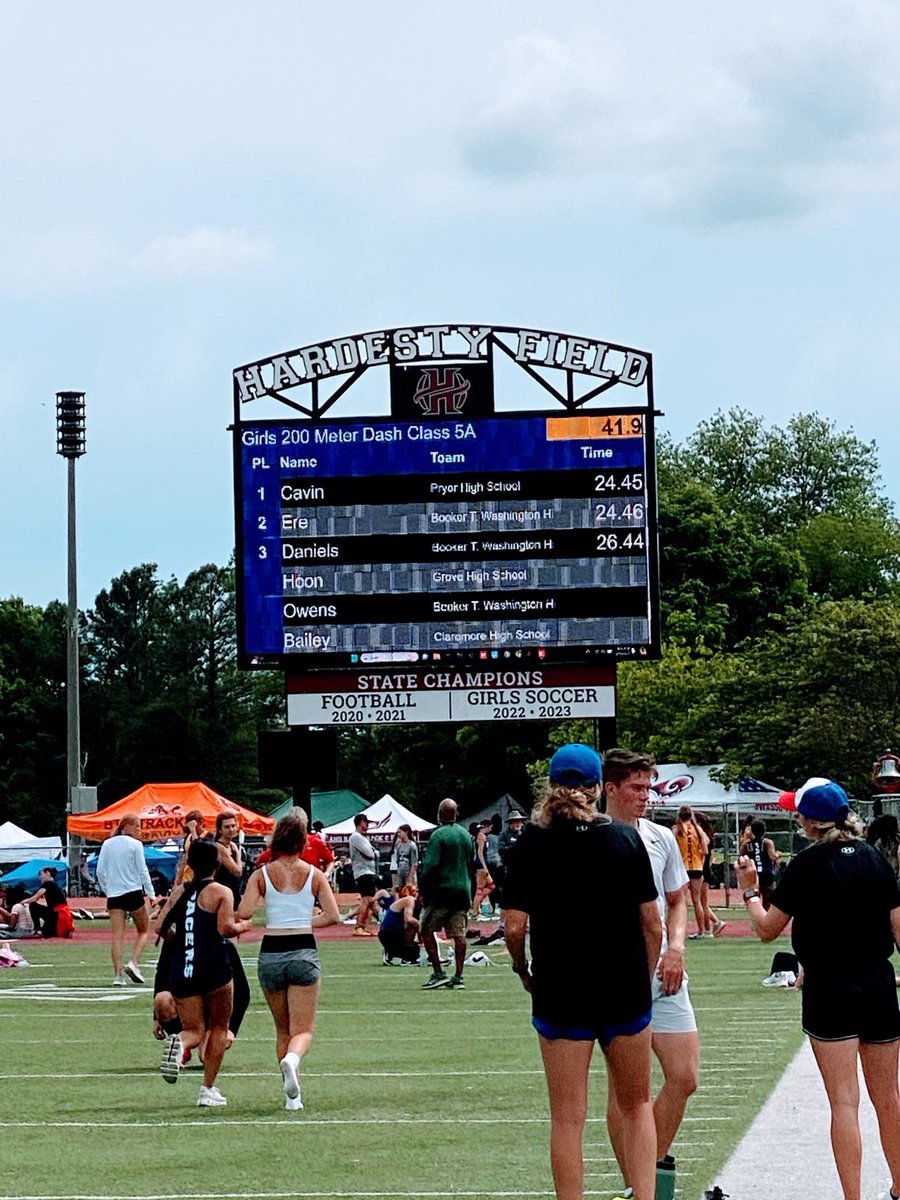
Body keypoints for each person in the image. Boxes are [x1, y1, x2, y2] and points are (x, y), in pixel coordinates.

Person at [504, 743, 662, 1200]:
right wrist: (643, 979)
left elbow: (514, 927)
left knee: (568, 1119)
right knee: (637, 1107)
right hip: (623, 987)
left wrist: (522, 969)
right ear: (597, 787)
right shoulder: (623, 838)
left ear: (550, 786)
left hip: (561, 987)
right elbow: (651, 925)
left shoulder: (530, 842)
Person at [736, 777, 900, 1200]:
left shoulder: (807, 866)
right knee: (889, 1099)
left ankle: (853, 1197)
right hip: (877, 981)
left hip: (830, 985)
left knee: (844, 1102)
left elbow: (768, 930)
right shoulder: (875, 859)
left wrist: (750, 890)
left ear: (808, 821)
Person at [603, 748, 700, 1200]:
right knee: (625, 1088)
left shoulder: (661, 837)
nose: (646, 796)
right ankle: (637, 1185)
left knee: (684, 1077)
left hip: (664, 971)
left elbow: (677, 899)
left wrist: (676, 947)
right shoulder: (592, 837)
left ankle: (645, 1169)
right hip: (618, 971)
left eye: (649, 787)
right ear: (611, 788)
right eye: (637, 788)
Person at [237, 811, 341, 1111]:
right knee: (303, 1030)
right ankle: (293, 1062)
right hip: (302, 950)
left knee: (283, 1029)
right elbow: (333, 916)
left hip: (271, 952)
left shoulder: (262, 874)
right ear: (302, 841)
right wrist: (308, 922)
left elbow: (244, 912)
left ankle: (292, 1098)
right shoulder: (313, 874)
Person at [152, 837, 253, 1106]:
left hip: (183, 968)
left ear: (191, 864)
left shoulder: (179, 891)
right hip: (214, 967)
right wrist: (243, 927)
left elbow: (159, 927)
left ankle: (180, 1046)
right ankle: (207, 1089)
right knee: (219, 1028)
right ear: (218, 863)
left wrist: (185, 939)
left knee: (193, 1030)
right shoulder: (221, 892)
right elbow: (224, 929)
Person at [417, 798, 475, 990]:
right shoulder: (466, 835)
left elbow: (431, 866)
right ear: (456, 814)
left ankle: (438, 972)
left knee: (426, 930)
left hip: (442, 891)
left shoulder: (438, 835)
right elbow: (471, 865)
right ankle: (459, 976)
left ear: (440, 814)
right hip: (462, 891)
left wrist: (424, 890)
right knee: (459, 934)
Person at [96, 814, 156, 985]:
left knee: (117, 936)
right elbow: (142, 870)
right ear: (126, 827)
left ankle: (118, 975)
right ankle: (134, 962)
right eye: (137, 826)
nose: (139, 830)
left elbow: (100, 871)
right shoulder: (136, 845)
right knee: (144, 930)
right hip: (133, 892)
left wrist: (107, 889)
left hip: (114, 895)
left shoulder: (107, 844)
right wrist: (151, 893)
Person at [672, 806, 709, 937]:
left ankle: (679, 930)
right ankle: (701, 930)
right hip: (697, 868)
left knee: (681, 902)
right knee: (697, 901)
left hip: (682, 868)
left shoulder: (676, 830)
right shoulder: (698, 830)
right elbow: (705, 850)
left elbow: (672, 850)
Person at [694, 811, 726, 937]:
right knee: (702, 902)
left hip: (703, 870)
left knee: (702, 902)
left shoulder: (704, 837)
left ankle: (708, 928)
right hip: (705, 868)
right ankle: (716, 922)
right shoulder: (705, 836)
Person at [349, 813, 379, 936]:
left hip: (369, 872)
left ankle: (385, 923)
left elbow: (375, 853)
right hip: (363, 872)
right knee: (367, 900)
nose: (367, 824)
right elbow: (371, 853)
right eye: (365, 822)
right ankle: (359, 926)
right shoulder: (355, 837)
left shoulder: (363, 838)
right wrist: (373, 851)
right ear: (360, 822)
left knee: (372, 901)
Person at [376, 885, 421, 964]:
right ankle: (406, 957)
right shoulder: (410, 900)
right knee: (412, 925)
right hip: (389, 934)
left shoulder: (416, 904)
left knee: (416, 952)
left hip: (390, 934)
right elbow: (409, 920)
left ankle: (390, 952)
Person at [24, 867, 71, 939]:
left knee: (33, 906)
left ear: (48, 873)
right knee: (47, 932)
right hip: (61, 914)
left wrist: (24, 901)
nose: (40, 877)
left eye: (41, 874)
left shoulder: (47, 884)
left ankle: (37, 929)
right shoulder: (56, 884)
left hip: (57, 914)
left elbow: (35, 898)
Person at [744, 818, 780, 909]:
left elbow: (742, 858)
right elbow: (773, 856)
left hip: (753, 875)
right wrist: (778, 854)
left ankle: (756, 920)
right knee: (767, 902)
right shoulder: (767, 842)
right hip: (767, 875)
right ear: (764, 830)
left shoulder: (747, 844)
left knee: (753, 900)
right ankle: (765, 919)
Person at [213, 811, 244, 905]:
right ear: (219, 830)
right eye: (227, 827)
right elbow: (237, 871)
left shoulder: (231, 845)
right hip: (222, 891)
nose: (231, 829)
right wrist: (238, 854)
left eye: (233, 826)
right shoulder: (219, 847)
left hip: (232, 889)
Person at [393, 824, 418, 891]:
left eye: (400, 832)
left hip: (409, 872)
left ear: (406, 832)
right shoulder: (398, 845)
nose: (398, 834)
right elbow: (397, 860)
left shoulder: (412, 845)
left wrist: (410, 878)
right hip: (400, 872)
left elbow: (414, 863)